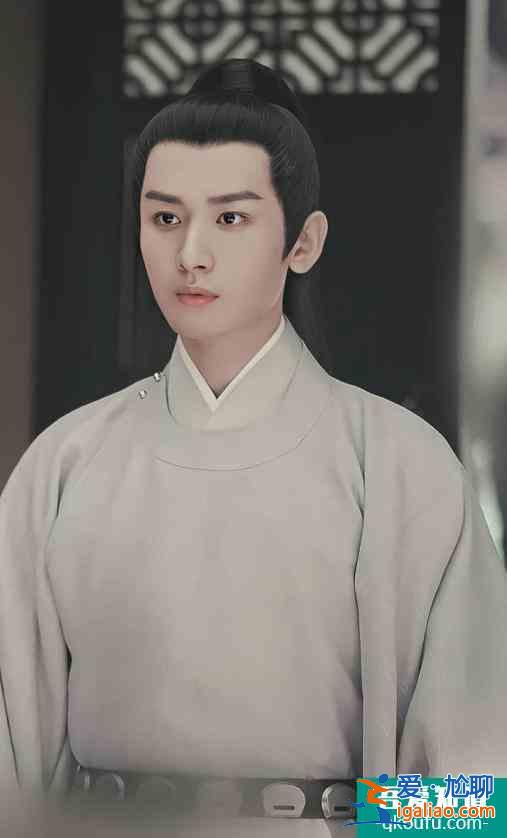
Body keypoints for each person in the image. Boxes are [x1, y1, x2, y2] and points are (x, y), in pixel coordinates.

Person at [1, 58, 507, 837]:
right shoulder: (64, 465)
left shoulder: (400, 467)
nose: (191, 254)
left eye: (231, 219)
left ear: (302, 241)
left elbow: (476, 796)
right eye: (164, 219)